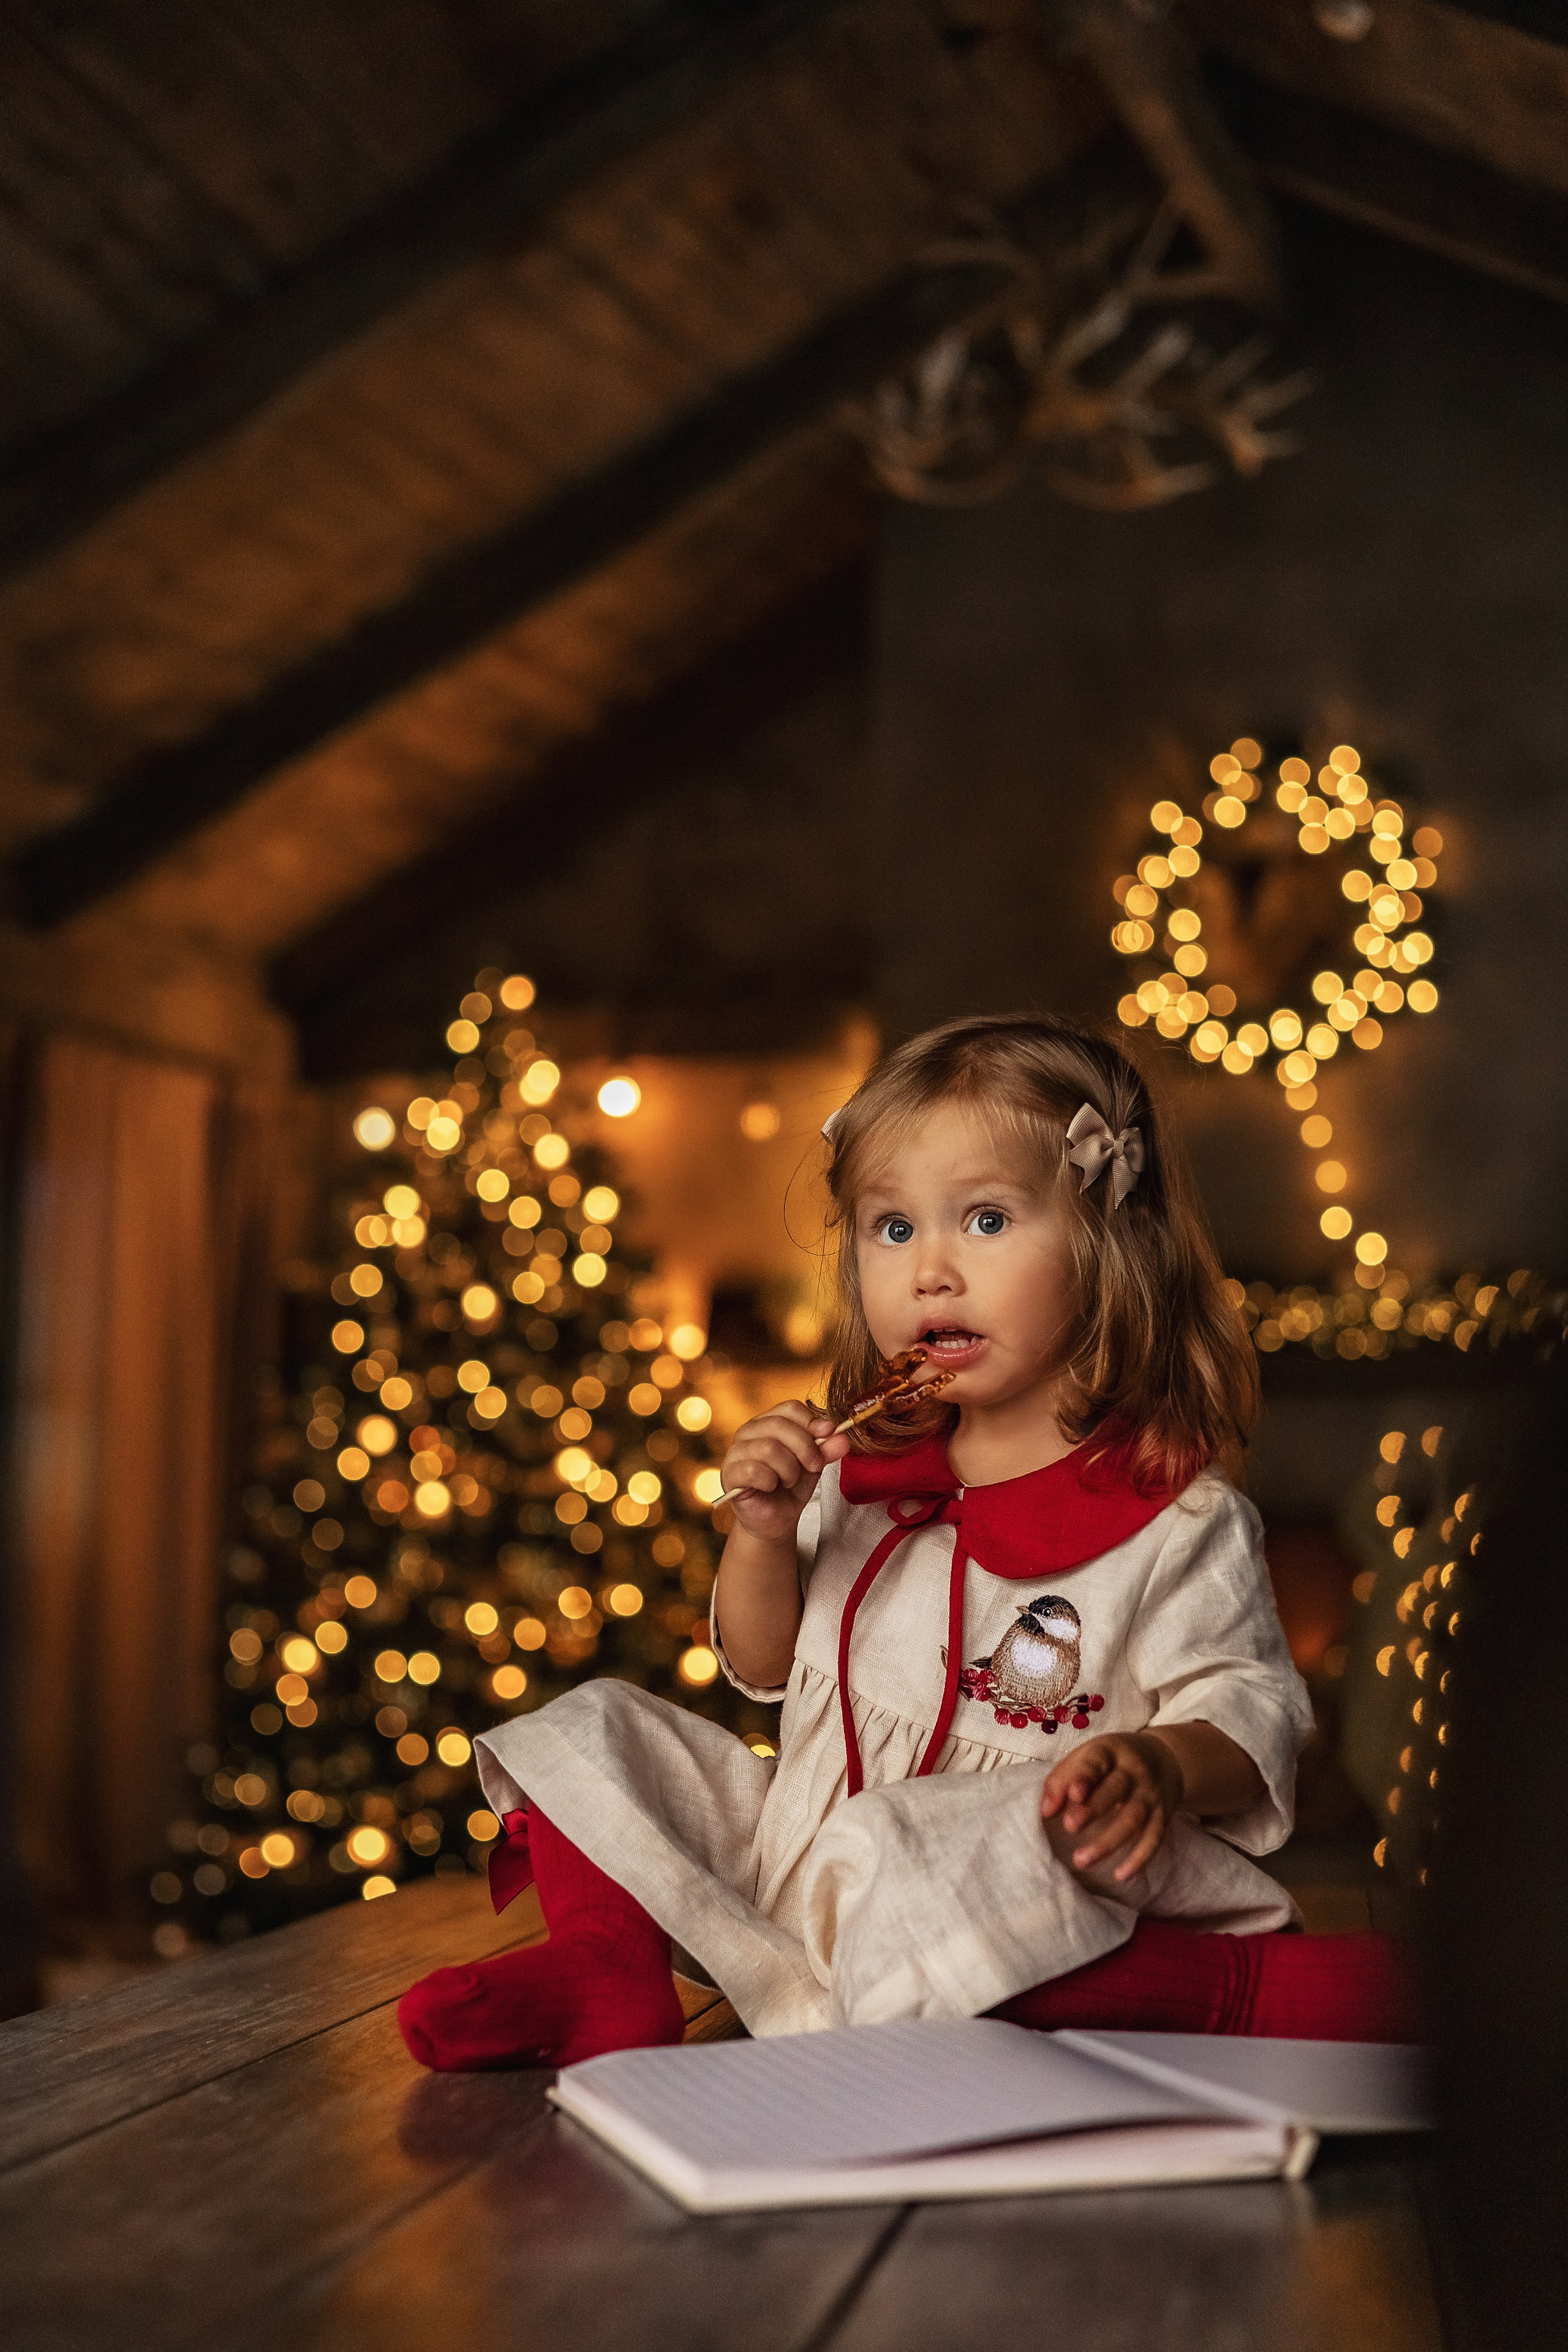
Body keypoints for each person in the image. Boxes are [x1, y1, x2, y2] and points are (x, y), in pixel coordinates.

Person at [399, 1014, 1414, 2070]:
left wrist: (1159, 1763)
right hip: (799, 1877)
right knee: (599, 1725)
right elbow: (758, 1666)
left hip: (1030, 1889)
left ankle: (1236, 1994)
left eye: (984, 1219)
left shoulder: (1171, 1518)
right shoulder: (865, 1474)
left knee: (914, 1847)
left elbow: (1247, 1720)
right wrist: (760, 1533)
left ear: (1111, 1247)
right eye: (891, 1229)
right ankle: (608, 1969)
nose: (930, 1270)